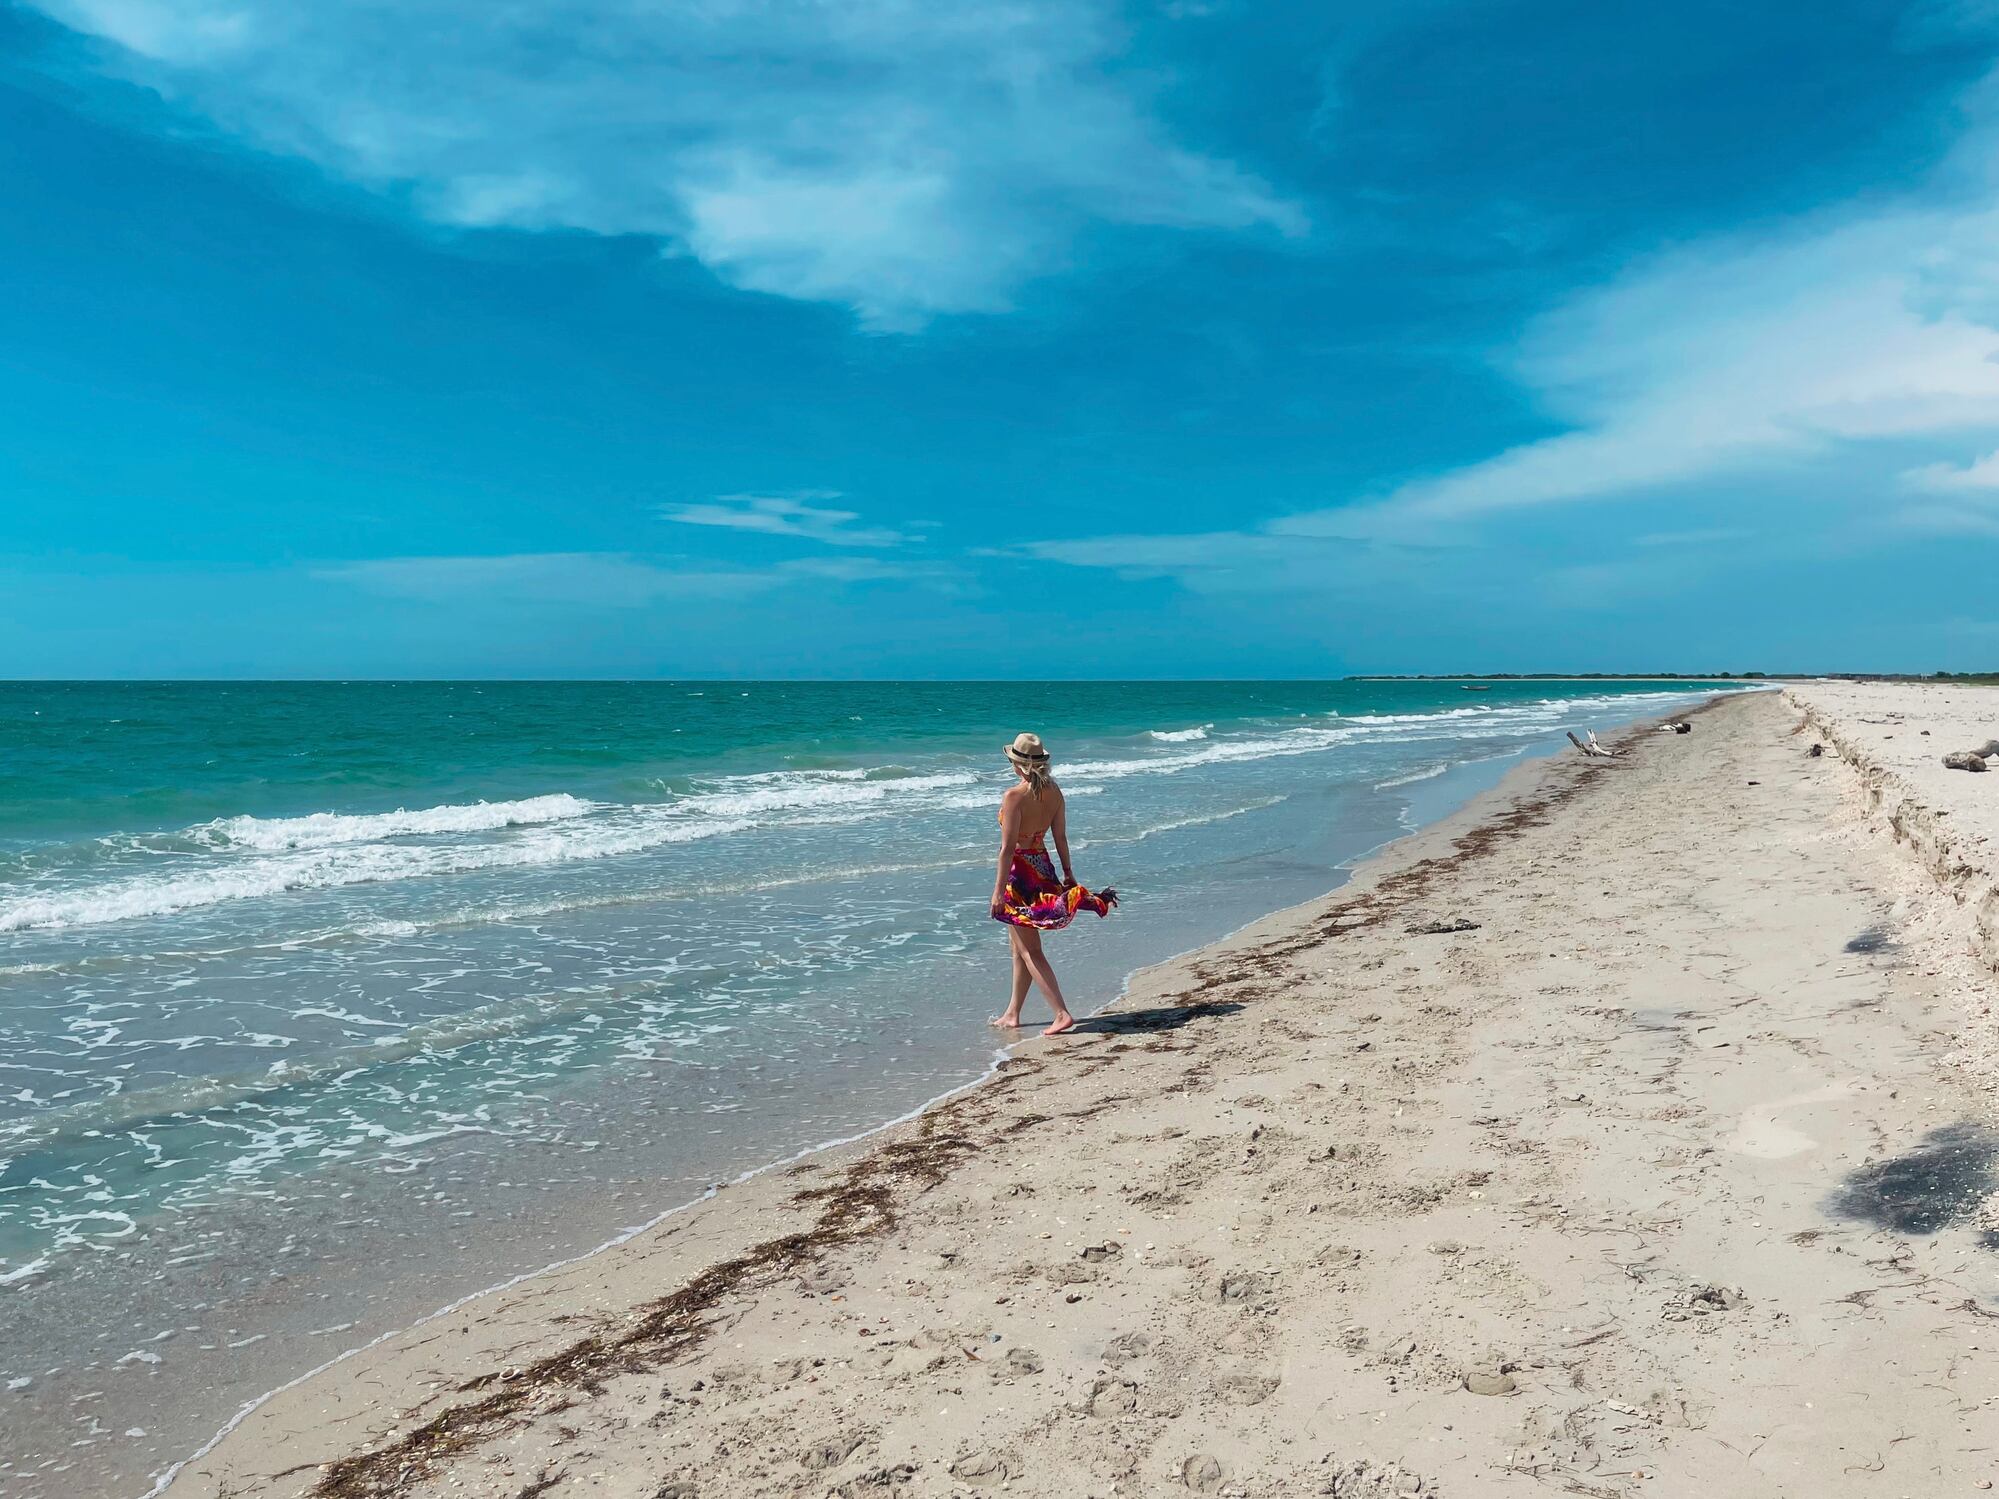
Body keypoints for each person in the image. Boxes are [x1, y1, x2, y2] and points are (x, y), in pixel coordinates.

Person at [988, 732, 1117, 1036]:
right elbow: (1060, 838)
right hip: (1042, 867)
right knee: (1018, 948)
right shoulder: (1055, 793)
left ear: (1018, 765)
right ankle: (1012, 1013)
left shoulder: (1014, 796)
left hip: (1018, 874)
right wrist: (1068, 873)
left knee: (1030, 950)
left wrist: (997, 892)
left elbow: (1007, 850)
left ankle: (1060, 1013)